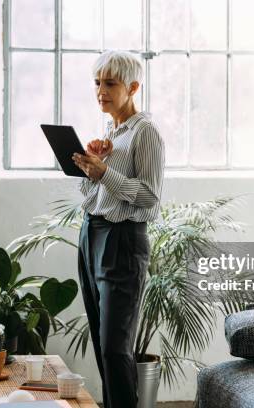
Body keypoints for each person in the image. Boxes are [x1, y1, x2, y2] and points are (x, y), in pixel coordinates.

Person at [72, 50, 165, 408]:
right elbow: (93, 192)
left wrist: (104, 172)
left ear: (133, 87)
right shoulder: (111, 134)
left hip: (122, 239)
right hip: (91, 234)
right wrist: (91, 167)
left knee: (115, 347)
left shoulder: (146, 133)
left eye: (110, 83)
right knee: (101, 340)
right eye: (97, 83)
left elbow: (150, 196)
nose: (101, 91)